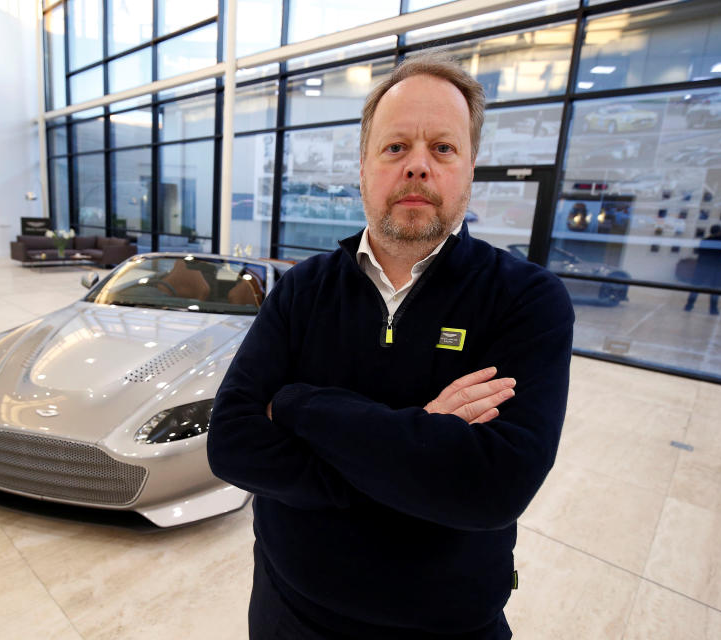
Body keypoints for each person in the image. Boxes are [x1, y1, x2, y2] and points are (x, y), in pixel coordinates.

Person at [208, 52, 574, 639]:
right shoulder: (302, 289)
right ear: (363, 166)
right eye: (396, 147)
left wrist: (302, 406)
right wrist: (420, 440)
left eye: (443, 148)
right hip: (289, 615)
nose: (418, 167)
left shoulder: (526, 300)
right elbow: (230, 443)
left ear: (470, 167)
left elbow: (491, 489)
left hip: (450, 627)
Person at [684, 224, 721, 315]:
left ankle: (689, 305)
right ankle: (713, 309)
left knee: (697, 287)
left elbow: (699, 251)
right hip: (714, 268)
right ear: (719, 231)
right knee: (714, 289)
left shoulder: (705, 240)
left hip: (703, 267)